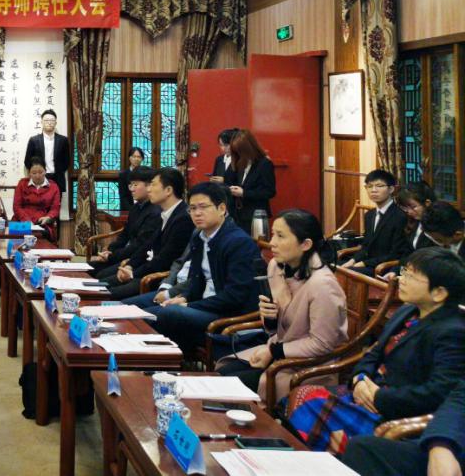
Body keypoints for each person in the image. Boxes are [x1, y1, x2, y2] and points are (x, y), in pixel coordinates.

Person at [287, 247, 465, 454]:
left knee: (306, 399)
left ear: (439, 293)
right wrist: (360, 379)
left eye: (411, 276)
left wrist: (379, 397)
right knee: (300, 397)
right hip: (369, 391)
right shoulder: (408, 311)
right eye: (404, 272)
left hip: (397, 412)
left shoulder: (452, 332)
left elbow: (437, 393)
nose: (400, 279)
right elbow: (373, 352)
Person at [216, 209, 348, 402]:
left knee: (226, 386)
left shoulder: (323, 285)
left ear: (305, 244)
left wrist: (274, 351)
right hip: (280, 353)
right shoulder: (276, 267)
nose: (272, 243)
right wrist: (270, 319)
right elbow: (280, 327)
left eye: (280, 236)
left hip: (308, 366)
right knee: (222, 373)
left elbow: (322, 344)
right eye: (273, 235)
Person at [137, 181, 261, 353]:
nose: (197, 213)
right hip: (203, 306)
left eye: (203, 207)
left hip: (227, 314)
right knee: (143, 313)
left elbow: (234, 296)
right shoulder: (199, 237)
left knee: (166, 314)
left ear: (222, 208)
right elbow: (197, 280)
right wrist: (184, 298)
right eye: (192, 208)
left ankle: (167, 360)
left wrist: (190, 305)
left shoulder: (238, 242)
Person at [343, 379, 465, 476]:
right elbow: (459, 398)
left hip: (398, 408)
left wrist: (379, 396)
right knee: (361, 450)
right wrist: (441, 445)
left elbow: (435, 391)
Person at [106, 167, 193, 300]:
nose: (148, 189)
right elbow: (147, 245)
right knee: (102, 284)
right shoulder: (165, 213)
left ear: (168, 190)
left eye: (153, 185)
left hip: (160, 278)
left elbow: (165, 259)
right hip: (146, 270)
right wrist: (130, 265)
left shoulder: (183, 218)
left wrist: (133, 273)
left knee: (110, 294)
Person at [93, 166, 159, 281]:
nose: (131, 189)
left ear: (149, 186)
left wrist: (112, 256)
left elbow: (139, 245)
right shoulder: (136, 207)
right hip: (123, 255)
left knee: (101, 277)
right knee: (89, 268)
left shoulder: (155, 212)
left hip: (135, 259)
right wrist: (110, 250)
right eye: (130, 185)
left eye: (135, 185)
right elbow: (125, 234)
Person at [343, 169, 412, 273]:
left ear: (391, 189)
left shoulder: (400, 216)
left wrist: (364, 263)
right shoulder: (369, 215)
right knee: (335, 266)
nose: (373, 190)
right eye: (369, 186)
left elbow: (396, 253)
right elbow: (365, 246)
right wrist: (352, 260)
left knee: (349, 273)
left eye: (379, 186)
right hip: (368, 264)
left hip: (385, 268)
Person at [223, 129, 276, 236]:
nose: (238, 154)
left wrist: (244, 193)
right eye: (236, 151)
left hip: (255, 215)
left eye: (240, 151)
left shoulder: (264, 164)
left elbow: (269, 191)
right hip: (236, 213)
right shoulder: (237, 161)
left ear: (248, 148)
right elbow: (227, 181)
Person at [12, 157, 62, 241]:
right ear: (29, 173)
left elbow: (55, 208)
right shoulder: (22, 184)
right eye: (34, 173)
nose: (38, 176)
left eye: (41, 172)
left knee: (41, 236)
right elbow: (17, 206)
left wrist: (48, 217)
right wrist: (26, 220)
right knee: (16, 236)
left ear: (45, 171)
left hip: (42, 221)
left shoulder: (53, 186)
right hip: (21, 219)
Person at [24, 109, 70, 195]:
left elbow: (67, 161)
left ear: (56, 123)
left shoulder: (63, 140)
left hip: (57, 179)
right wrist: (36, 174)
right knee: (38, 202)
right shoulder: (34, 140)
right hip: (38, 179)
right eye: (46, 120)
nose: (49, 123)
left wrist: (59, 171)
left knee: (56, 202)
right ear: (42, 122)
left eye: (52, 120)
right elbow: (27, 161)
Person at [396, 180, 436, 251]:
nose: (409, 212)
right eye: (405, 207)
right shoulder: (415, 222)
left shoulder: (436, 226)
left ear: (427, 203)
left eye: (413, 207)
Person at [117, 147, 145, 211]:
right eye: (134, 156)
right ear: (130, 158)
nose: (136, 159)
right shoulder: (123, 175)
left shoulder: (145, 173)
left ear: (142, 159)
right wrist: (131, 211)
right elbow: (123, 196)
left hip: (144, 209)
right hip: (128, 209)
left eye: (139, 157)